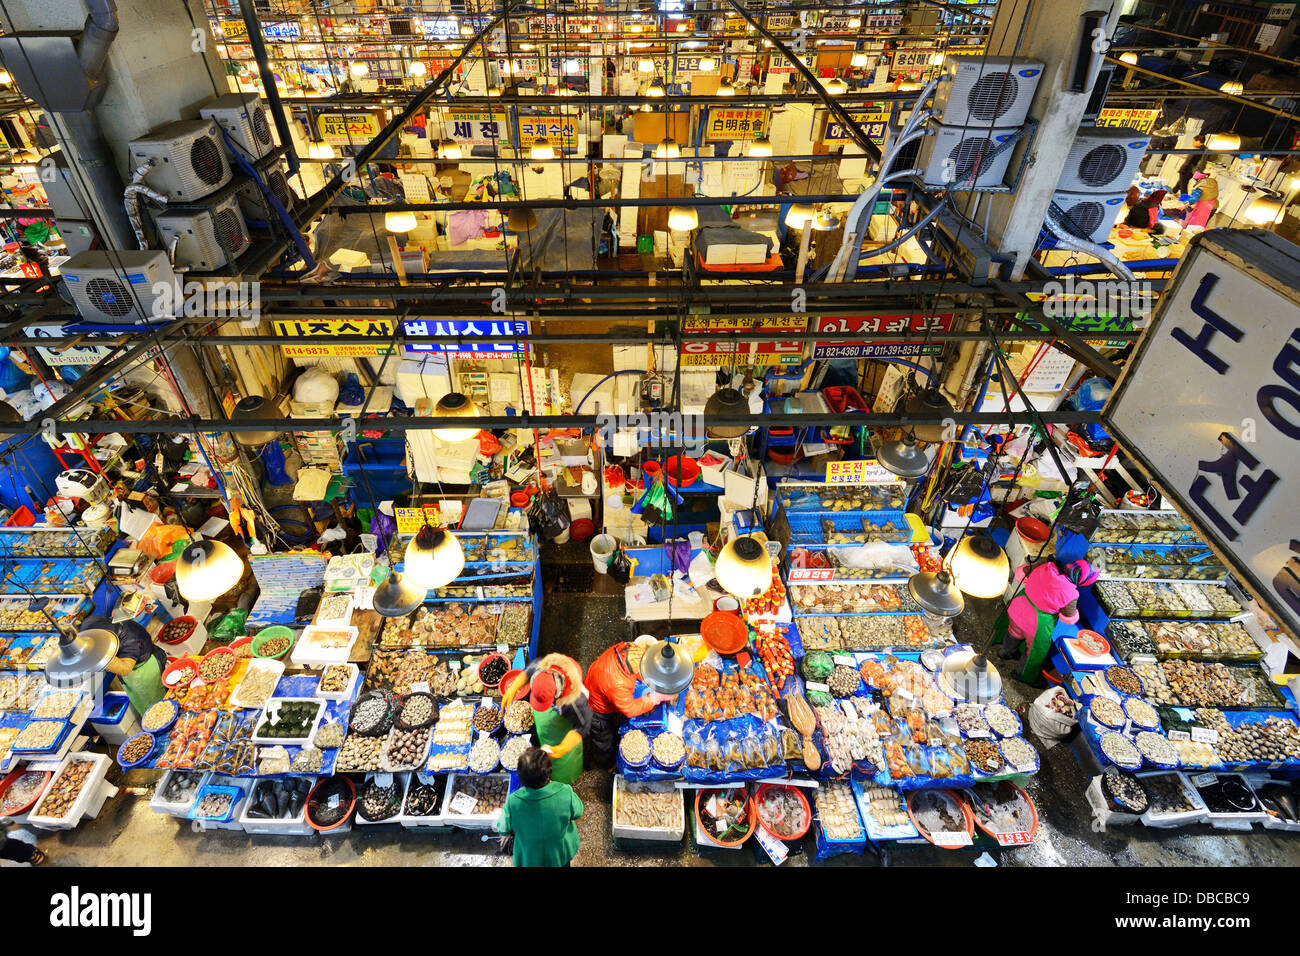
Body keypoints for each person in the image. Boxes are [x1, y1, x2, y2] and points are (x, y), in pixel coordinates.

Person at [991, 556, 1098, 684]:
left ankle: (1004, 652)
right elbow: (1068, 618)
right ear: (1082, 581)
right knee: (1034, 652)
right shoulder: (1071, 594)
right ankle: (1019, 673)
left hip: (1018, 608)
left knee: (1013, 631)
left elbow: (1022, 573)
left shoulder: (1046, 567)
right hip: (1036, 624)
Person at [584, 639, 677, 770]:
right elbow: (630, 710)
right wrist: (656, 697)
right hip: (597, 710)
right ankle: (608, 765)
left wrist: (652, 682)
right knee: (605, 739)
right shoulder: (616, 683)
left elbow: (640, 670)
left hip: (598, 682)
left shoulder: (627, 650)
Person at [501, 654, 591, 785]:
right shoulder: (544, 667)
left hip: (564, 738)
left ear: (557, 696)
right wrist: (513, 688)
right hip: (547, 730)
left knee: (564, 766)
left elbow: (582, 726)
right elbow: (529, 671)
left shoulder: (575, 701)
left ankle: (566, 780)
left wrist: (563, 748)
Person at [495, 747, 582, 867]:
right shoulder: (565, 792)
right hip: (559, 854)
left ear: (520, 777)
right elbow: (578, 812)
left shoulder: (513, 802)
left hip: (530, 858)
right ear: (549, 772)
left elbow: (503, 828)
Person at [84, 614, 168, 716]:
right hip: (133, 673)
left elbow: (125, 669)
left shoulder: (129, 642)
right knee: (144, 705)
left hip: (144, 672)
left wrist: (98, 656)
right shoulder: (98, 625)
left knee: (161, 709)